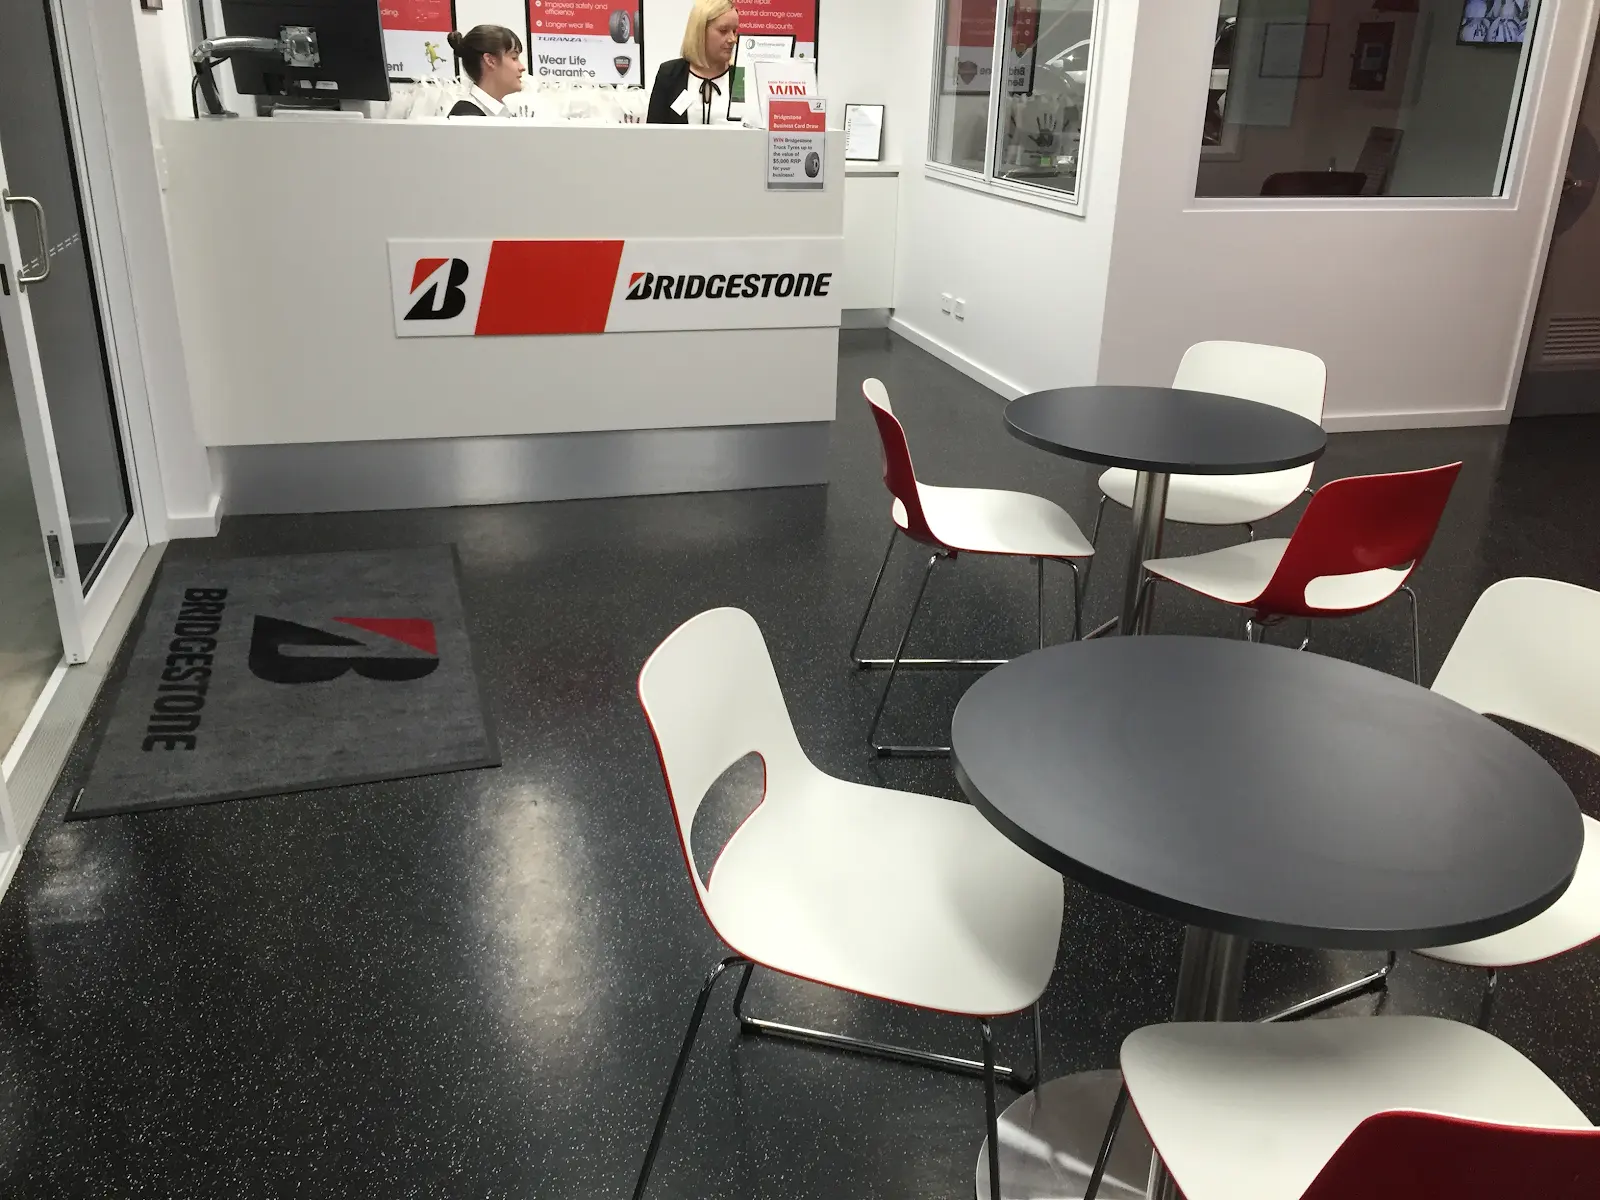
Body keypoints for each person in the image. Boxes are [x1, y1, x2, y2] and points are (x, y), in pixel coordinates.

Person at [647, 0, 740, 125]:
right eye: (723, 31)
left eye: (734, 31)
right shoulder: (670, 74)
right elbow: (653, 131)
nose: (732, 39)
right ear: (700, 31)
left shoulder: (741, 78)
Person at [447, 26, 526, 118]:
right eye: (514, 58)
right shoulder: (467, 116)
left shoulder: (499, 112)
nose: (522, 67)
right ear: (490, 61)